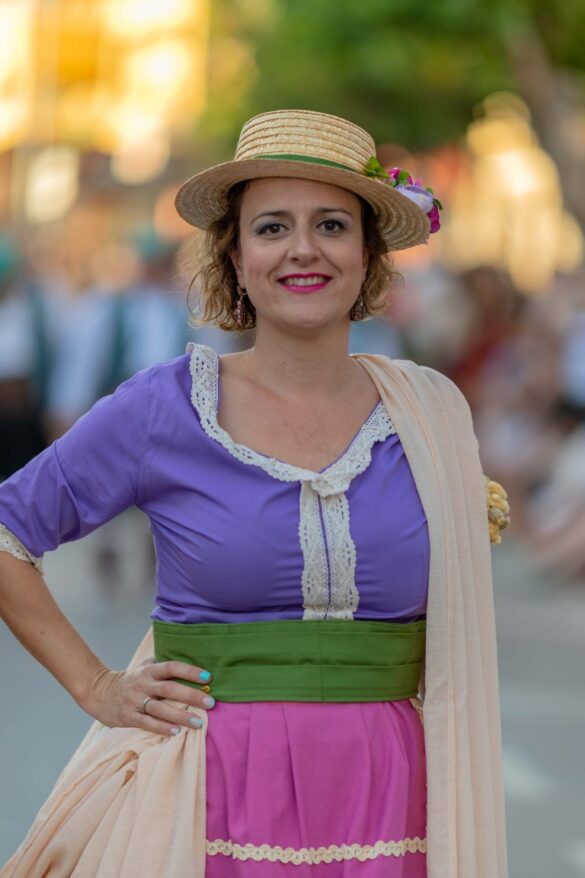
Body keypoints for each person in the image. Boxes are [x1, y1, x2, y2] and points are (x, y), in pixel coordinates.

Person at [0, 109, 510, 877]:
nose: (303, 249)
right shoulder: (164, 408)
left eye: (331, 225)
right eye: (271, 228)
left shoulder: (426, 413)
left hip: (393, 796)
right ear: (234, 257)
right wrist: (96, 685)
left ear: (367, 254)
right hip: (203, 797)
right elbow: (8, 531)